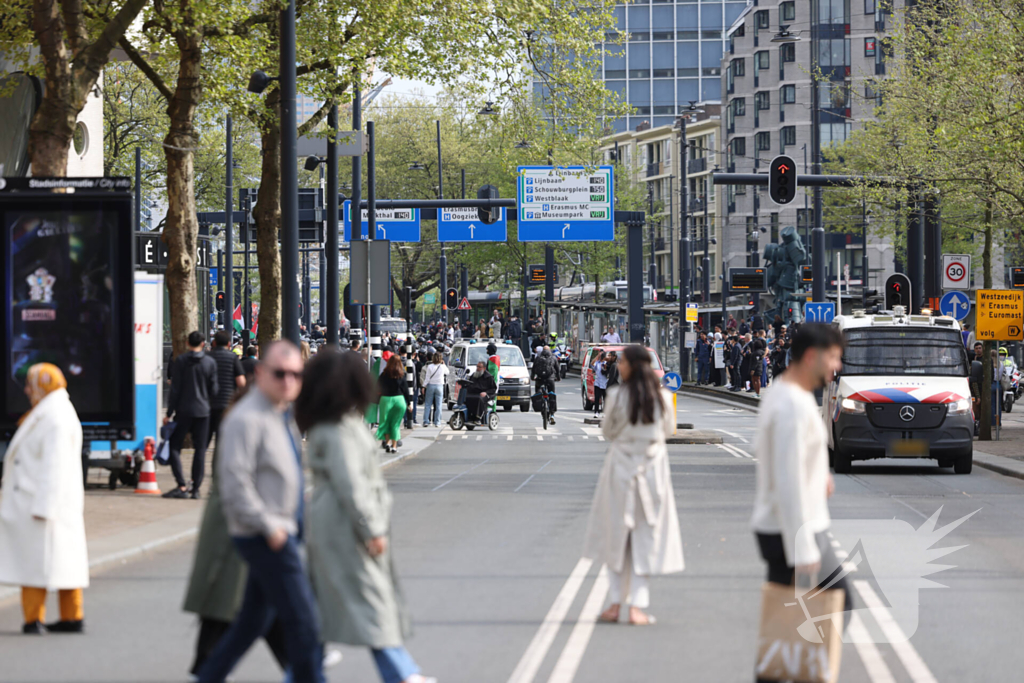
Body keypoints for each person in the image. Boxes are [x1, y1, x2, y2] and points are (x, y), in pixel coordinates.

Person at [295, 350, 437, 683]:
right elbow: (353, 484)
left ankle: (302, 674)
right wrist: (371, 528)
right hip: (345, 526)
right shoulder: (341, 427)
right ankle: (402, 674)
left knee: (323, 609)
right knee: (371, 600)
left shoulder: (328, 423)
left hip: (331, 523)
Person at [195, 341, 323, 683]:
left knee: (249, 625)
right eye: (280, 374)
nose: (288, 381)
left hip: (280, 530)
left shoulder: (281, 415)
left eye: (296, 374)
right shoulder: (246, 418)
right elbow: (235, 482)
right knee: (305, 625)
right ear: (261, 374)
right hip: (267, 536)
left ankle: (207, 677)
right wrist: (270, 526)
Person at [751, 324, 851, 683]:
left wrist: (818, 473)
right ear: (812, 356)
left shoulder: (782, 393)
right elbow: (788, 481)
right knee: (836, 602)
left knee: (785, 623)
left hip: (787, 526)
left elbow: (786, 463)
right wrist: (803, 546)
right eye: (834, 357)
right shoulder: (793, 404)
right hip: (794, 529)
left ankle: (788, 672)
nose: (836, 367)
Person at [582, 346, 684, 626]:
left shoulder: (616, 396)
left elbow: (608, 432)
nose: (619, 366)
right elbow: (667, 430)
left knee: (615, 535)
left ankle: (615, 603)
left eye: (623, 361)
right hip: (653, 471)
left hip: (620, 469)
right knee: (646, 536)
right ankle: (638, 606)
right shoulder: (663, 397)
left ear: (632, 366)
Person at [0, 364, 87, 635]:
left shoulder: (54, 416)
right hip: (44, 503)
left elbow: (55, 465)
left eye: (30, 384)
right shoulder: (52, 411)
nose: (26, 390)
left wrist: (45, 506)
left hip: (42, 505)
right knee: (59, 563)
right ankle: (70, 617)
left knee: (37, 564)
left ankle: (34, 620)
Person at [164, 331, 220, 499]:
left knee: (174, 446)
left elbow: (175, 390)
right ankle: (195, 488)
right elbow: (214, 389)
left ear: (188, 343)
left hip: (183, 410)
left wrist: (169, 412)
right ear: (203, 344)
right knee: (200, 450)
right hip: (203, 411)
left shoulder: (180, 361)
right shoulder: (210, 362)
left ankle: (181, 484)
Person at [209, 331, 246, 441]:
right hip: (226, 402)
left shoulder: (207, 357)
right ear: (229, 344)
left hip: (208, 402)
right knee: (222, 439)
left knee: (203, 441)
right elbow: (241, 383)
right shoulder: (232, 358)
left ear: (214, 343)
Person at [376, 355, 411, 454]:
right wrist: (409, 404)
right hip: (399, 400)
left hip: (386, 399)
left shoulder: (384, 374)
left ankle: (387, 443)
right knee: (395, 424)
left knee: (385, 422)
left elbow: (377, 386)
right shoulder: (401, 374)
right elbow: (406, 391)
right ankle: (394, 446)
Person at [531, 346, 559, 424]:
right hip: (550, 379)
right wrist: (558, 378)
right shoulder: (553, 358)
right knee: (552, 394)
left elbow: (533, 369)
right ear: (549, 351)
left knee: (538, 393)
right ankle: (552, 415)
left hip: (540, 379)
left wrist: (532, 377)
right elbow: (557, 369)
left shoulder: (538, 358)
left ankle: (541, 407)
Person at [420, 353, 449, 427]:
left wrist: (423, 386)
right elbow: (447, 372)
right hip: (439, 386)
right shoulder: (442, 367)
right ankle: (437, 422)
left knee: (428, 404)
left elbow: (427, 378)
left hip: (430, 386)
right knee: (439, 405)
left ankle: (426, 421)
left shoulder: (429, 366)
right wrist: (444, 364)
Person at [592, 350, 608, 417]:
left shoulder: (606, 363)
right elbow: (592, 363)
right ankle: (596, 412)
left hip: (605, 383)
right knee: (597, 399)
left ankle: (605, 413)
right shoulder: (597, 363)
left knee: (605, 399)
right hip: (597, 383)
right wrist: (597, 356)